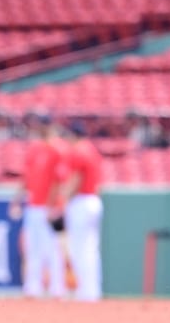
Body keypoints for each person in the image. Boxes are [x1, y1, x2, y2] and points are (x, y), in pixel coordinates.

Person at [9, 119, 67, 298]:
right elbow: (27, 178)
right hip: (33, 205)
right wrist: (17, 201)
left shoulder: (58, 149)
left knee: (52, 248)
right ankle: (33, 287)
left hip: (48, 207)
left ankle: (57, 287)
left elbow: (59, 181)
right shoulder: (35, 148)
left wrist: (53, 206)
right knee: (32, 248)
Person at [57, 122, 102, 301]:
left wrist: (64, 197)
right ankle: (92, 291)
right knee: (90, 248)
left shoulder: (79, 151)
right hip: (93, 200)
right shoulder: (92, 149)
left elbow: (76, 179)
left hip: (81, 201)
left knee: (79, 248)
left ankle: (85, 291)